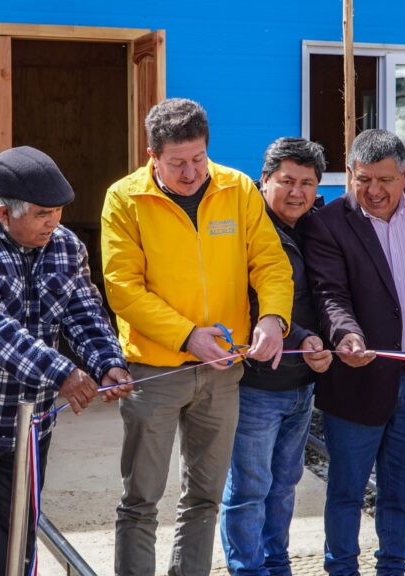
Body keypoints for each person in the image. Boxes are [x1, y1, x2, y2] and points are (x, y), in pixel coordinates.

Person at [102, 98, 293, 576]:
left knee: (205, 496)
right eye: (177, 163)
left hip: (222, 372)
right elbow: (123, 289)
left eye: (198, 159)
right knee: (141, 497)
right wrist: (188, 336)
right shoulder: (125, 198)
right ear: (152, 155)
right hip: (154, 371)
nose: (190, 173)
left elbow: (270, 263)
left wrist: (273, 319)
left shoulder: (238, 189)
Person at [0, 145, 131, 575]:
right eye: (41, 214)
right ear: (3, 213)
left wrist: (107, 361)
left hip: (31, 423)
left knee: (18, 537)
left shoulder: (65, 246)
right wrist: (62, 372)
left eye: (57, 212)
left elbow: (83, 310)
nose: (53, 223)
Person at [302, 128, 405, 575]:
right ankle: (341, 568)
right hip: (357, 376)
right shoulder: (327, 222)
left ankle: (393, 567)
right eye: (363, 178)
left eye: (385, 179)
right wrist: (347, 336)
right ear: (349, 173)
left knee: (400, 488)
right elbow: (330, 294)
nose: (373, 190)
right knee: (346, 487)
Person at [219, 137, 333, 575]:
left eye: (307, 183)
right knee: (249, 488)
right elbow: (246, 301)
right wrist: (303, 336)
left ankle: (276, 562)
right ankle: (248, 568)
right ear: (264, 180)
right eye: (286, 181)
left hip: (301, 383)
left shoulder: (316, 226)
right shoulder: (246, 227)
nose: (296, 192)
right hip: (256, 385)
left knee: (285, 485)